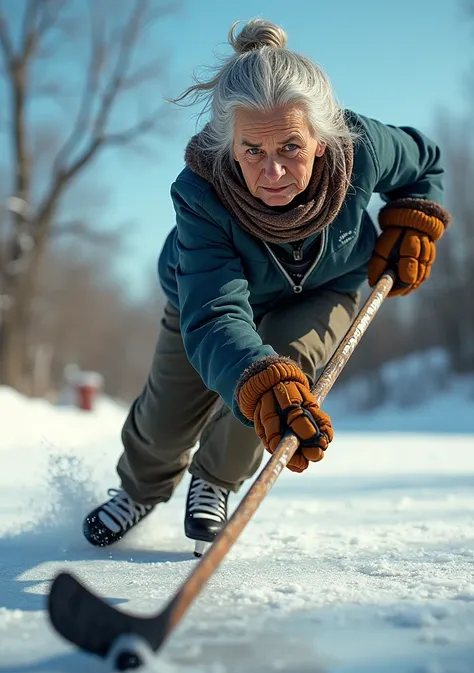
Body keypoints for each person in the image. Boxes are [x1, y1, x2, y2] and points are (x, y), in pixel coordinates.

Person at [83, 19, 451, 555]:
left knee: (287, 376)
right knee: (175, 418)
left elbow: (428, 162)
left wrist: (415, 216)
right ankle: (139, 490)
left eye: (291, 148)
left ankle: (216, 478)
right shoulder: (200, 194)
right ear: (228, 146)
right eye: (252, 150)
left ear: (323, 141)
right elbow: (215, 315)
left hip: (329, 287)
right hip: (208, 302)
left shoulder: (365, 148)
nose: (273, 170)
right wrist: (251, 374)